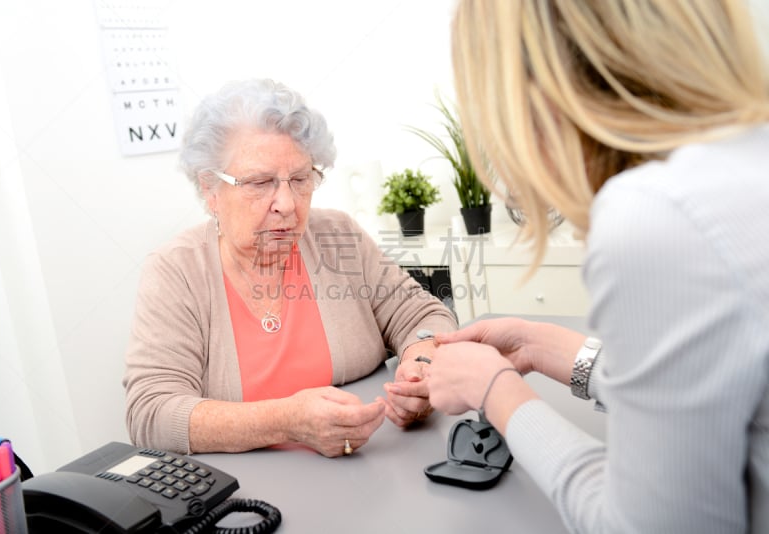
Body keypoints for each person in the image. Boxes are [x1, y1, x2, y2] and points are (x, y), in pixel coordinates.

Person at [426, 1, 769, 532]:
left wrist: (494, 391)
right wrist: (545, 347)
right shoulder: (742, 163)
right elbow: (717, 382)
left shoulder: (660, 214)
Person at [123, 78, 457, 458]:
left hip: (375, 469)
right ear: (210, 190)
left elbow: (423, 314)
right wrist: (286, 421)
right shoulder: (176, 271)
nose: (287, 202)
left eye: (300, 179)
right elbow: (150, 415)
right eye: (260, 182)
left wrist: (422, 366)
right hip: (245, 498)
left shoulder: (336, 236)